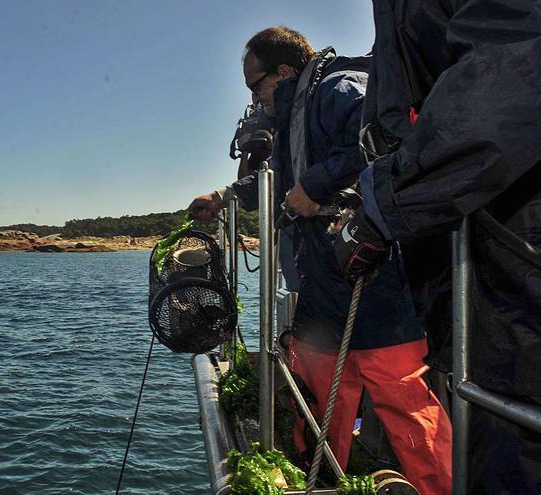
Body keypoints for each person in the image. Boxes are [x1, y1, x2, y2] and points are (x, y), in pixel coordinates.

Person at [189, 27, 452, 494]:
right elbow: (282, 181)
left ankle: (437, 487)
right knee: (316, 390)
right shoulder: (294, 116)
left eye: (256, 85)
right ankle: (321, 479)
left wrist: (316, 185)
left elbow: (384, 142)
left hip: (373, 278)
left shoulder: (337, 90)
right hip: (319, 282)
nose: (253, 98)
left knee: (401, 394)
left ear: (284, 72)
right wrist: (224, 195)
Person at [333, 1, 541, 493]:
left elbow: (512, 74)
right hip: (474, 265)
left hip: (514, 270)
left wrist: (384, 204)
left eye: (256, 85)